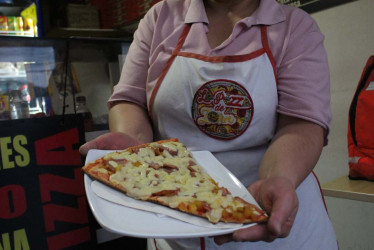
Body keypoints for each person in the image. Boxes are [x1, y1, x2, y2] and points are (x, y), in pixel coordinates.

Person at [80, 0, 338, 249]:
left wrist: (278, 178)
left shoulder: (294, 26)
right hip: (172, 215)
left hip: (271, 216)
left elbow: (301, 123)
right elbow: (130, 100)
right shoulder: (161, 18)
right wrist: (136, 152)